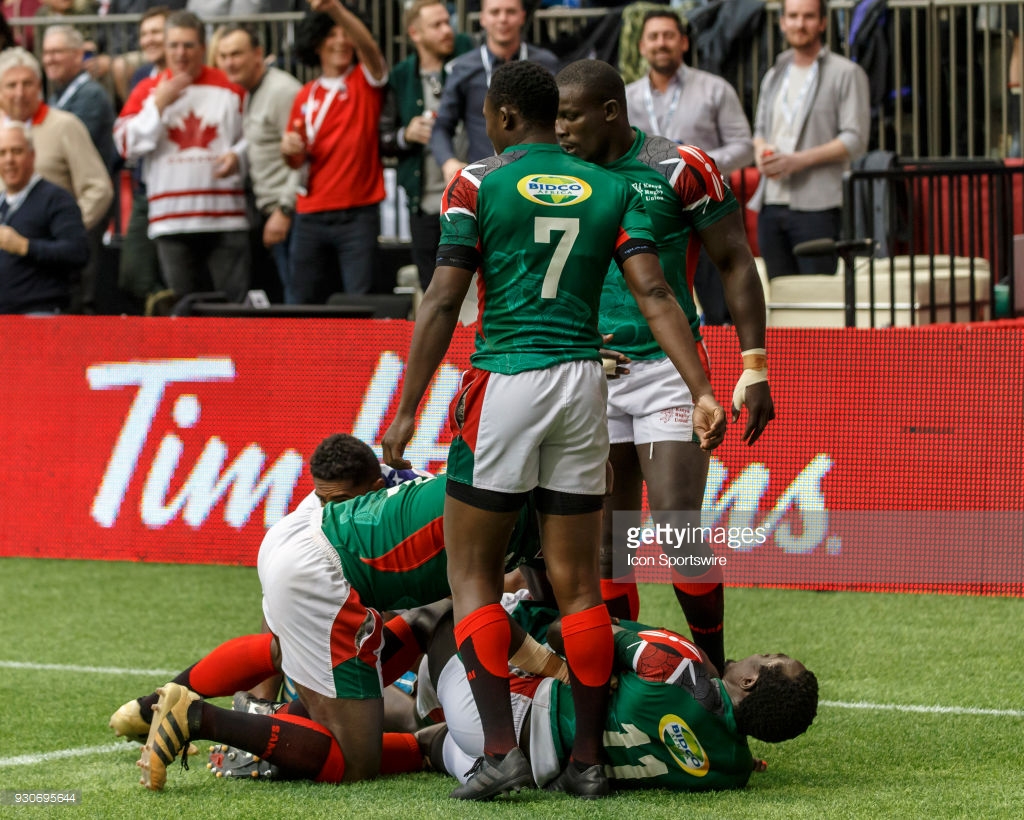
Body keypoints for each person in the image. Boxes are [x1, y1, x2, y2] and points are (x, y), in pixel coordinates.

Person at [381, 59, 726, 801]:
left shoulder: (477, 182)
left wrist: (406, 407)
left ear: (503, 118)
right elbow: (658, 289)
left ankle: (501, 753)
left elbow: (443, 299)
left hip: (507, 375)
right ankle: (590, 761)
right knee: (578, 583)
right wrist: (702, 386)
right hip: (582, 384)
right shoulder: (609, 188)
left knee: (471, 572)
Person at [554, 59, 774, 675]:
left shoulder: (681, 166)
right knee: (604, 549)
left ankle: (715, 681)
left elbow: (734, 260)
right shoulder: (550, 175)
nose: (561, 131)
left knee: (678, 526)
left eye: (571, 117)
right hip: (583, 373)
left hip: (666, 371)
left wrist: (753, 365)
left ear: (610, 111)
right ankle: (624, 685)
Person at [127, 472, 543, 790]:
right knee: (358, 755)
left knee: (416, 628)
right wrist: (550, 661)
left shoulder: (480, 479)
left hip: (300, 547)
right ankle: (199, 716)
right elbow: (504, 600)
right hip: (325, 577)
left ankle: (155, 707)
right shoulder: (527, 510)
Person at [427, 601, 819, 792]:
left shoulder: (679, 664)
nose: (760, 652)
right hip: (541, 772)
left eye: (769, 657)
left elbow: (564, 632)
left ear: (749, 682)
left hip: (510, 719)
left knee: (451, 614)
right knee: (430, 742)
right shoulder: (735, 771)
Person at [625, 7, 753, 325]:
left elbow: (745, 147)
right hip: (648, 212)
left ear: (683, 42)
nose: (661, 43)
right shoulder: (626, 98)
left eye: (669, 36)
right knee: (654, 302)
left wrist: (694, 167)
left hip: (704, 210)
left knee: (719, 308)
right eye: (653, 37)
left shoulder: (715, 89)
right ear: (642, 46)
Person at [114, 9, 250, 305]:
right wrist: (158, 106)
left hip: (224, 219)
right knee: (185, 314)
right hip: (171, 220)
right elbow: (125, 144)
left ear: (203, 48)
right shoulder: (148, 90)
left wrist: (238, 156)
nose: (181, 53)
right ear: (164, 47)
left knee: (233, 311)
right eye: (174, 45)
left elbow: (252, 139)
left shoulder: (230, 86)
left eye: (189, 45)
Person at [750, 0, 870, 279]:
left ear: (823, 23)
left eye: (808, 16)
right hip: (771, 203)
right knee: (781, 298)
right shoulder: (774, 73)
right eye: (792, 16)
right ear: (782, 22)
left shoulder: (846, 73)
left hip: (819, 205)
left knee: (817, 298)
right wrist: (761, 153)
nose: (799, 24)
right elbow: (759, 132)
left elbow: (855, 139)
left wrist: (797, 161)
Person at [281, 0, 388, 302]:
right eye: (331, 34)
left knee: (360, 301)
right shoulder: (306, 94)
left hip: (357, 213)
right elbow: (295, 162)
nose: (341, 41)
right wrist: (288, 148)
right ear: (316, 42)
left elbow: (370, 50)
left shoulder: (365, 80)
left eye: (347, 34)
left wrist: (335, 9)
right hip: (309, 214)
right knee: (300, 301)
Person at [0, 46, 113, 310]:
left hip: (50, 276)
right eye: (11, 85)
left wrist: (66, 228)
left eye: (27, 83)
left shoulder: (65, 125)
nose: (19, 92)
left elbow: (99, 188)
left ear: (39, 86)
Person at [379, 0, 472, 291]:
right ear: (415, 33)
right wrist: (406, 134)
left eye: (448, 22)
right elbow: (382, 138)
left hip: (472, 199)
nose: (448, 30)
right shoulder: (402, 75)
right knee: (431, 287)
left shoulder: (470, 61)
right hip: (424, 203)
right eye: (437, 25)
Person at [216, 24, 301, 303]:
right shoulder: (252, 90)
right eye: (224, 55)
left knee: (297, 299)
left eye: (237, 54)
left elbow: (305, 155)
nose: (230, 62)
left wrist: (285, 210)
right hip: (273, 209)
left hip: (291, 212)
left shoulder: (281, 91)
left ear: (258, 54)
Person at [429, 0, 560, 181]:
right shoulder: (464, 68)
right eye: (495, 12)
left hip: (539, 179)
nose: (503, 19)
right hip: (485, 182)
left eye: (510, 12)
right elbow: (442, 125)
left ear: (522, 17)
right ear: (482, 18)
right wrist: (448, 162)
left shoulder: (546, 63)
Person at [41, 24, 118, 314]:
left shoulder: (90, 96)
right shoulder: (59, 96)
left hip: (86, 208)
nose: (49, 59)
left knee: (83, 288)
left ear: (78, 55)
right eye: (46, 53)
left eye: (57, 52)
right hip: (65, 210)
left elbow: (63, 150)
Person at [0, 121, 88, 313]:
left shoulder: (56, 198)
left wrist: (25, 246)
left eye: (16, 151)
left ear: (32, 156)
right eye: (2, 153)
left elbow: (78, 252)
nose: (9, 160)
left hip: (40, 316)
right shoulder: (2, 203)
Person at [116, 6, 171, 312]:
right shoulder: (140, 77)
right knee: (133, 274)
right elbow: (127, 136)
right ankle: (165, 316)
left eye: (157, 32)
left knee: (179, 271)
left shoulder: (196, 76)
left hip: (183, 194)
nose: (150, 39)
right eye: (145, 33)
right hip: (145, 190)